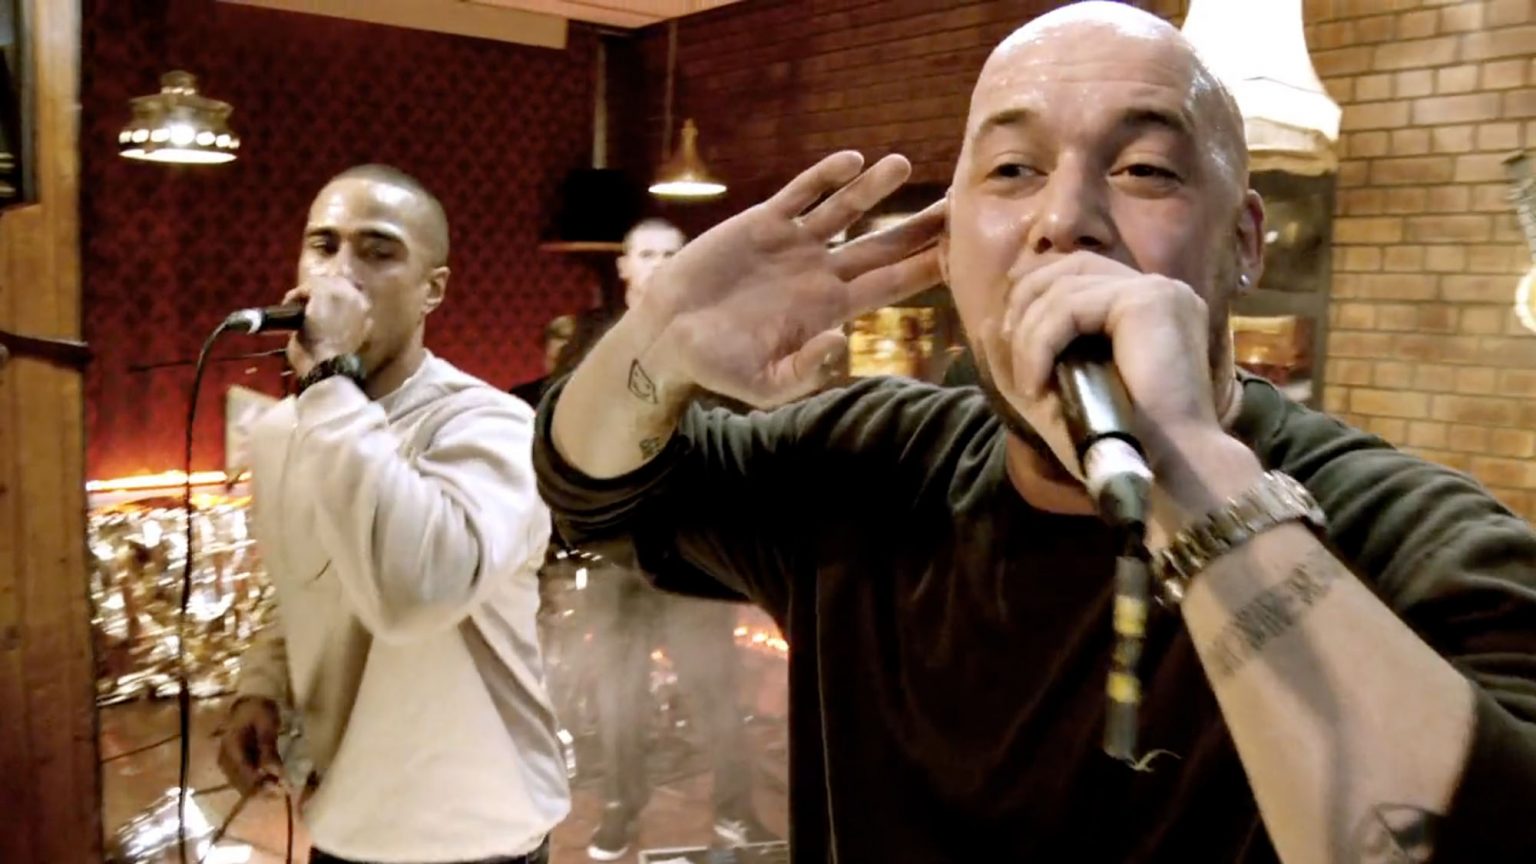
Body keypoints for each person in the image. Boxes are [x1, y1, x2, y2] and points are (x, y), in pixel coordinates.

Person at [532, 4, 1536, 862]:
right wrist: (659, 339)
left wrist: (1184, 466)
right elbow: (592, 488)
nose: (1066, 217)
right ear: (950, 244)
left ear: (1243, 242)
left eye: (1144, 169)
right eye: (1012, 169)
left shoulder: (1415, 540)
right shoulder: (870, 463)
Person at [219, 164, 569, 864]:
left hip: (478, 836)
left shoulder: (489, 428)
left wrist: (328, 378)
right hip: (345, 826)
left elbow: (415, 591)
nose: (340, 275)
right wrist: (260, 687)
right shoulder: (285, 433)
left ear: (432, 289)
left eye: (378, 252)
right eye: (323, 246)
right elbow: (302, 583)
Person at [558, 217, 772, 861]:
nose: (659, 264)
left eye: (671, 254)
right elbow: (563, 431)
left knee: (715, 689)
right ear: (624, 266)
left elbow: (742, 434)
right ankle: (621, 808)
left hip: (690, 546)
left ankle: (735, 813)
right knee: (617, 693)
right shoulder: (590, 339)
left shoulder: (714, 340)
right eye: (647, 254)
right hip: (615, 552)